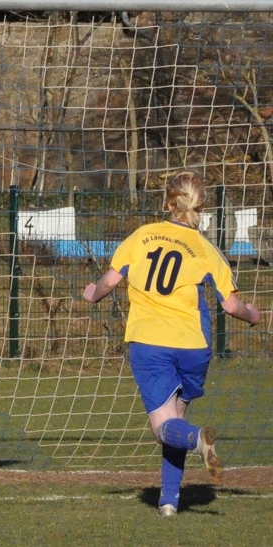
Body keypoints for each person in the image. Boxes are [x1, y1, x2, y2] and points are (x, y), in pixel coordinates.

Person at [82, 170, 260, 517]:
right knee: (175, 420)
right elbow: (230, 306)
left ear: (168, 202)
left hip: (150, 342)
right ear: (202, 208)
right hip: (194, 344)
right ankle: (168, 501)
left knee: (166, 429)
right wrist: (253, 316)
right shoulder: (207, 249)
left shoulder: (144, 235)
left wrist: (92, 294)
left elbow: (109, 280)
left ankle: (197, 440)